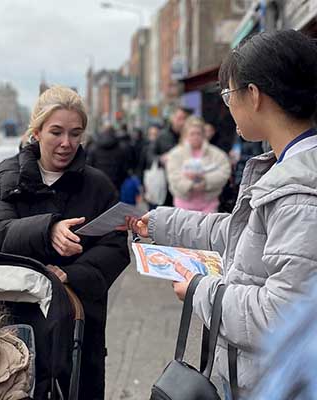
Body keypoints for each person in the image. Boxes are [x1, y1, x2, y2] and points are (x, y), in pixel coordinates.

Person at [122, 29, 317, 398]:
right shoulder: (286, 167)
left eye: (228, 94)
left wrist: (199, 289)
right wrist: (165, 222)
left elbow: (280, 316)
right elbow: (244, 235)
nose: (227, 105)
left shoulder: (300, 194)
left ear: (254, 95)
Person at [0, 85, 129, 400]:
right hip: (21, 317)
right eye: (56, 132)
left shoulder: (98, 184)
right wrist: (48, 230)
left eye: (75, 134)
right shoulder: (10, 177)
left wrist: (70, 275)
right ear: (36, 132)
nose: (67, 143)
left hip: (81, 318)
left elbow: (117, 247)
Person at [166, 116, 231, 213]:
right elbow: (173, 176)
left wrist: (205, 180)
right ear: (185, 135)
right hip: (183, 205)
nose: (195, 136)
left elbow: (224, 172)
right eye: (192, 134)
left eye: (198, 133)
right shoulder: (175, 154)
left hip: (209, 205)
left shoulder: (217, 154)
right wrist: (190, 184)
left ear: (204, 135)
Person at [147, 107, 193, 206]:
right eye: (179, 118)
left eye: (184, 119)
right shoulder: (162, 136)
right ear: (173, 118)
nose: (181, 122)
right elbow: (150, 155)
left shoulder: (191, 137)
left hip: (186, 185)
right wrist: (160, 159)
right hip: (165, 185)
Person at [85, 123, 128, 191]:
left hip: (97, 183)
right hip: (115, 183)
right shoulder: (121, 149)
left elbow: (89, 166)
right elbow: (124, 168)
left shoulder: (93, 148)